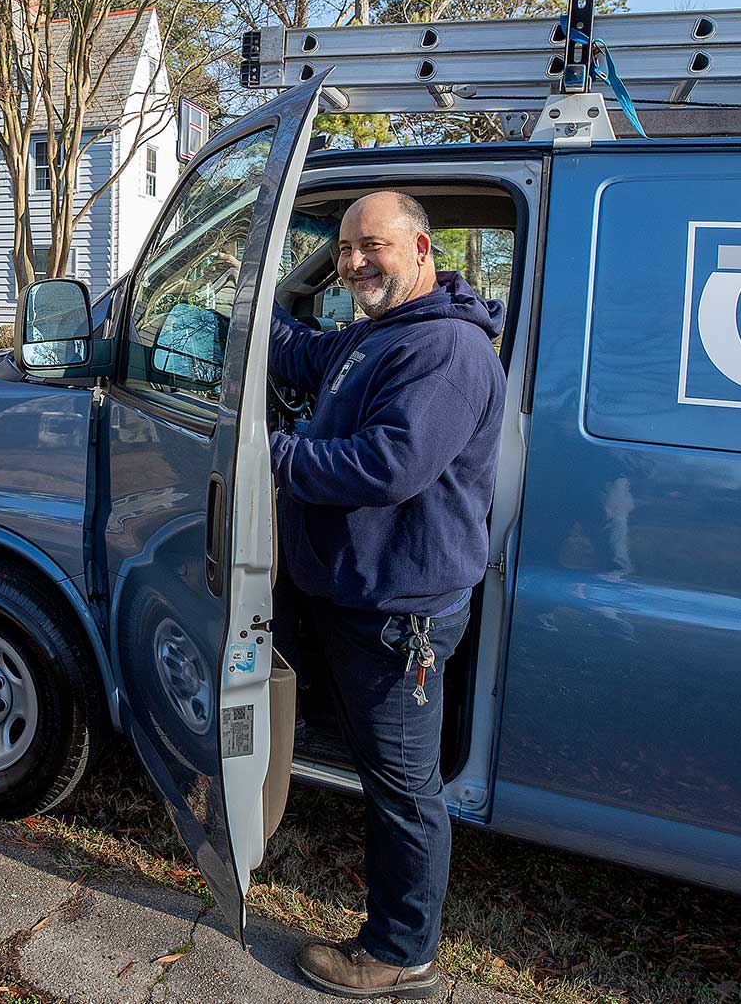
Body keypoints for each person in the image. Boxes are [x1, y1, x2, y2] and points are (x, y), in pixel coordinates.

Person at [269, 190, 507, 1000]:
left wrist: (269, 451)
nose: (353, 261)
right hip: (353, 596)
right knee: (377, 770)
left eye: (372, 245)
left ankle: (403, 951)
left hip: (397, 614)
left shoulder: (443, 347)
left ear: (421, 247)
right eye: (343, 248)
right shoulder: (380, 331)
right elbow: (308, 358)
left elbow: (384, 465)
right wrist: (235, 319)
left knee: (406, 791)